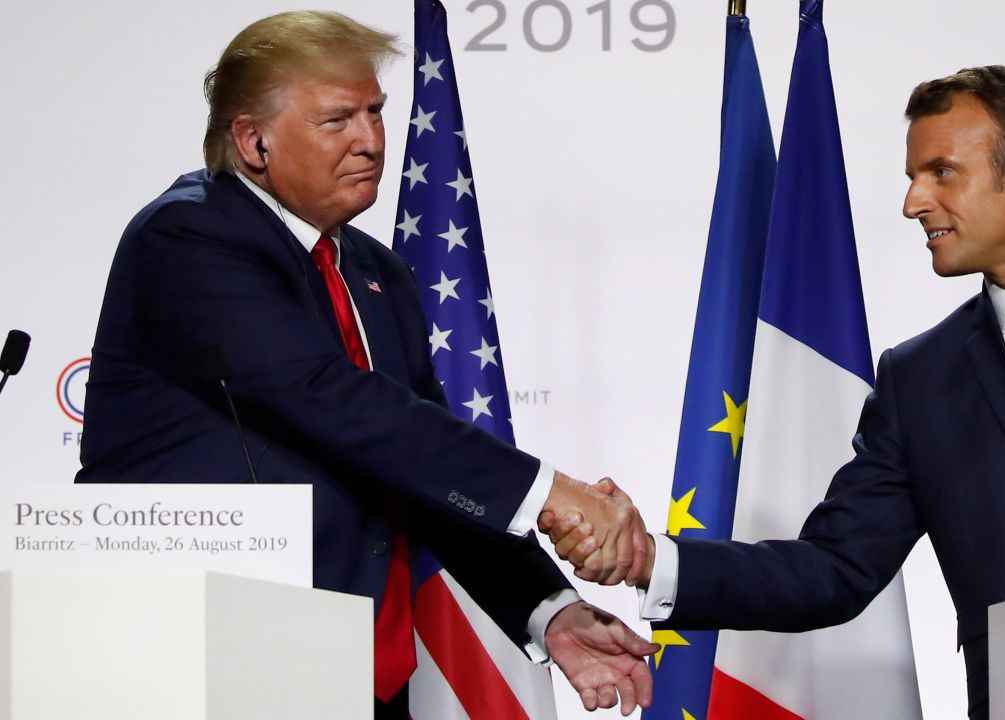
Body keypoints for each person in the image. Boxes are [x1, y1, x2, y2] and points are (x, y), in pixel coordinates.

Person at [545, 65, 1005, 719]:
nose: (912, 203)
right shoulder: (921, 378)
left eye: (939, 173)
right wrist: (653, 560)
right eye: (911, 177)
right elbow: (834, 569)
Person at [76, 11, 653, 718]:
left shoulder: (377, 271)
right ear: (253, 141)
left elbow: (424, 462)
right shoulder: (188, 235)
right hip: (209, 661)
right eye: (337, 120)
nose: (371, 140)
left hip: (352, 670)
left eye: (376, 113)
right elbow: (324, 394)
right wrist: (552, 491)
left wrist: (549, 610)